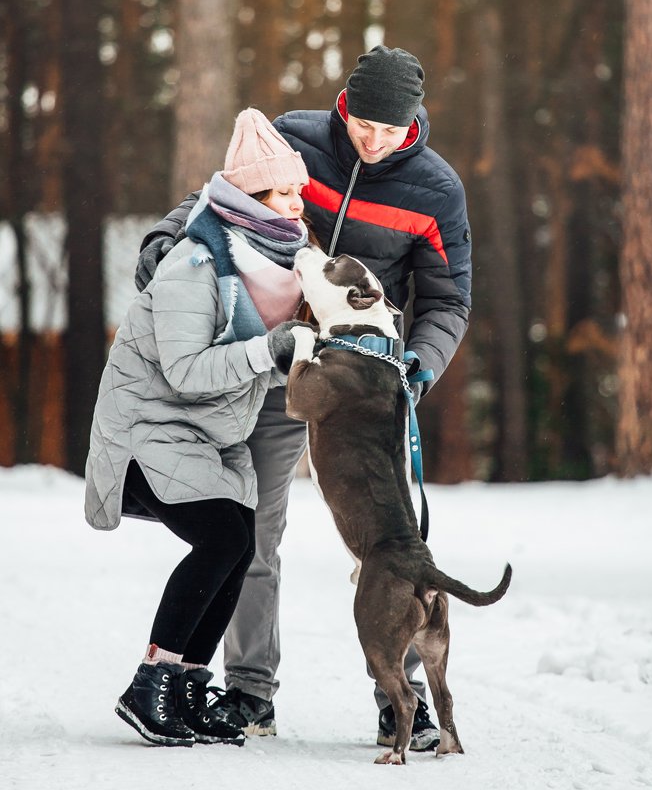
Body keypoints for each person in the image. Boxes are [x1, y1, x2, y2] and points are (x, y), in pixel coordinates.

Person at [135, 45, 472, 752]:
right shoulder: (296, 138)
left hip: (369, 385)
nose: (373, 143)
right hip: (277, 363)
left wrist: (420, 366)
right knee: (253, 527)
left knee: (392, 544)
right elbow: (220, 198)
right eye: (363, 127)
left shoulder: (436, 189)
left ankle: (402, 697)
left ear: (412, 123)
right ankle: (251, 693)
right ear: (345, 103)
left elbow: (447, 301)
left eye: (390, 131)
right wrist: (169, 235)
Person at [84, 108, 313, 748]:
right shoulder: (196, 261)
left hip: (198, 433)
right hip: (147, 430)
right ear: (251, 199)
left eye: (297, 191)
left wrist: (292, 364)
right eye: (285, 193)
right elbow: (186, 369)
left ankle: (184, 686)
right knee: (219, 540)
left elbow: (243, 366)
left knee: (240, 540)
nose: (299, 203)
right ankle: (149, 684)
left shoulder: (269, 263)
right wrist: (271, 353)